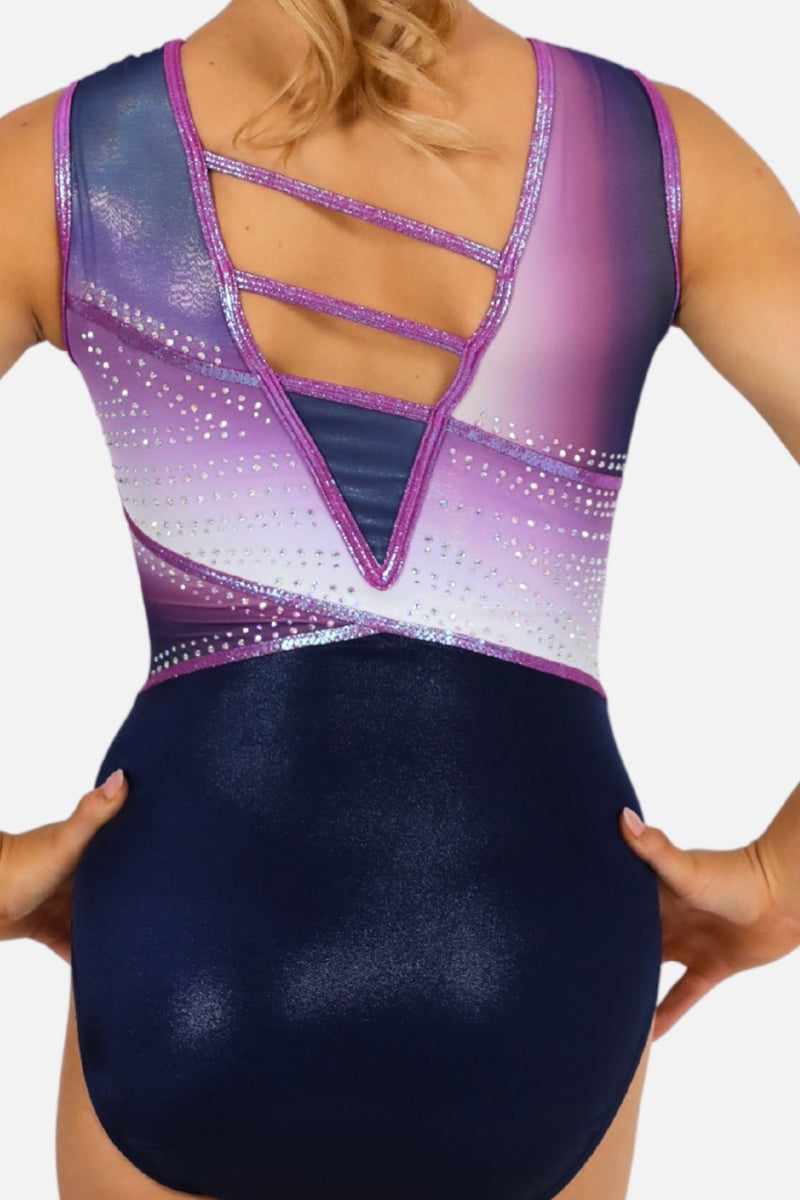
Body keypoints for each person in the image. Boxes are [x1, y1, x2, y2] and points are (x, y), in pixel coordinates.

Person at [1, 1, 799, 1197]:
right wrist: (784, 879)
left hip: (194, 925)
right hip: (535, 937)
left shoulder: (58, 166)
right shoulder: (655, 157)